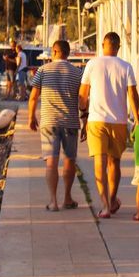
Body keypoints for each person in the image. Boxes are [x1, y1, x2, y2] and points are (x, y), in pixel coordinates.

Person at [79, 32, 139, 219]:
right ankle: (112, 200)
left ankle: (105, 206)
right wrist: (137, 120)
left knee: (99, 162)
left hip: (96, 120)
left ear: (103, 44)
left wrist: (83, 116)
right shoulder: (126, 66)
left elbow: (83, 96)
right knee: (114, 163)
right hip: (119, 121)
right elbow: (132, 95)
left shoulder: (92, 64)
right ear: (118, 46)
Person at [28, 39, 81, 211]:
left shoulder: (43, 70)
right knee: (70, 160)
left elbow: (34, 96)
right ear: (68, 53)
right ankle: (67, 198)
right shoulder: (77, 72)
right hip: (71, 121)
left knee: (51, 162)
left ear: (55, 51)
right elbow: (82, 99)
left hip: (49, 122)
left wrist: (31, 117)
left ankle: (53, 201)